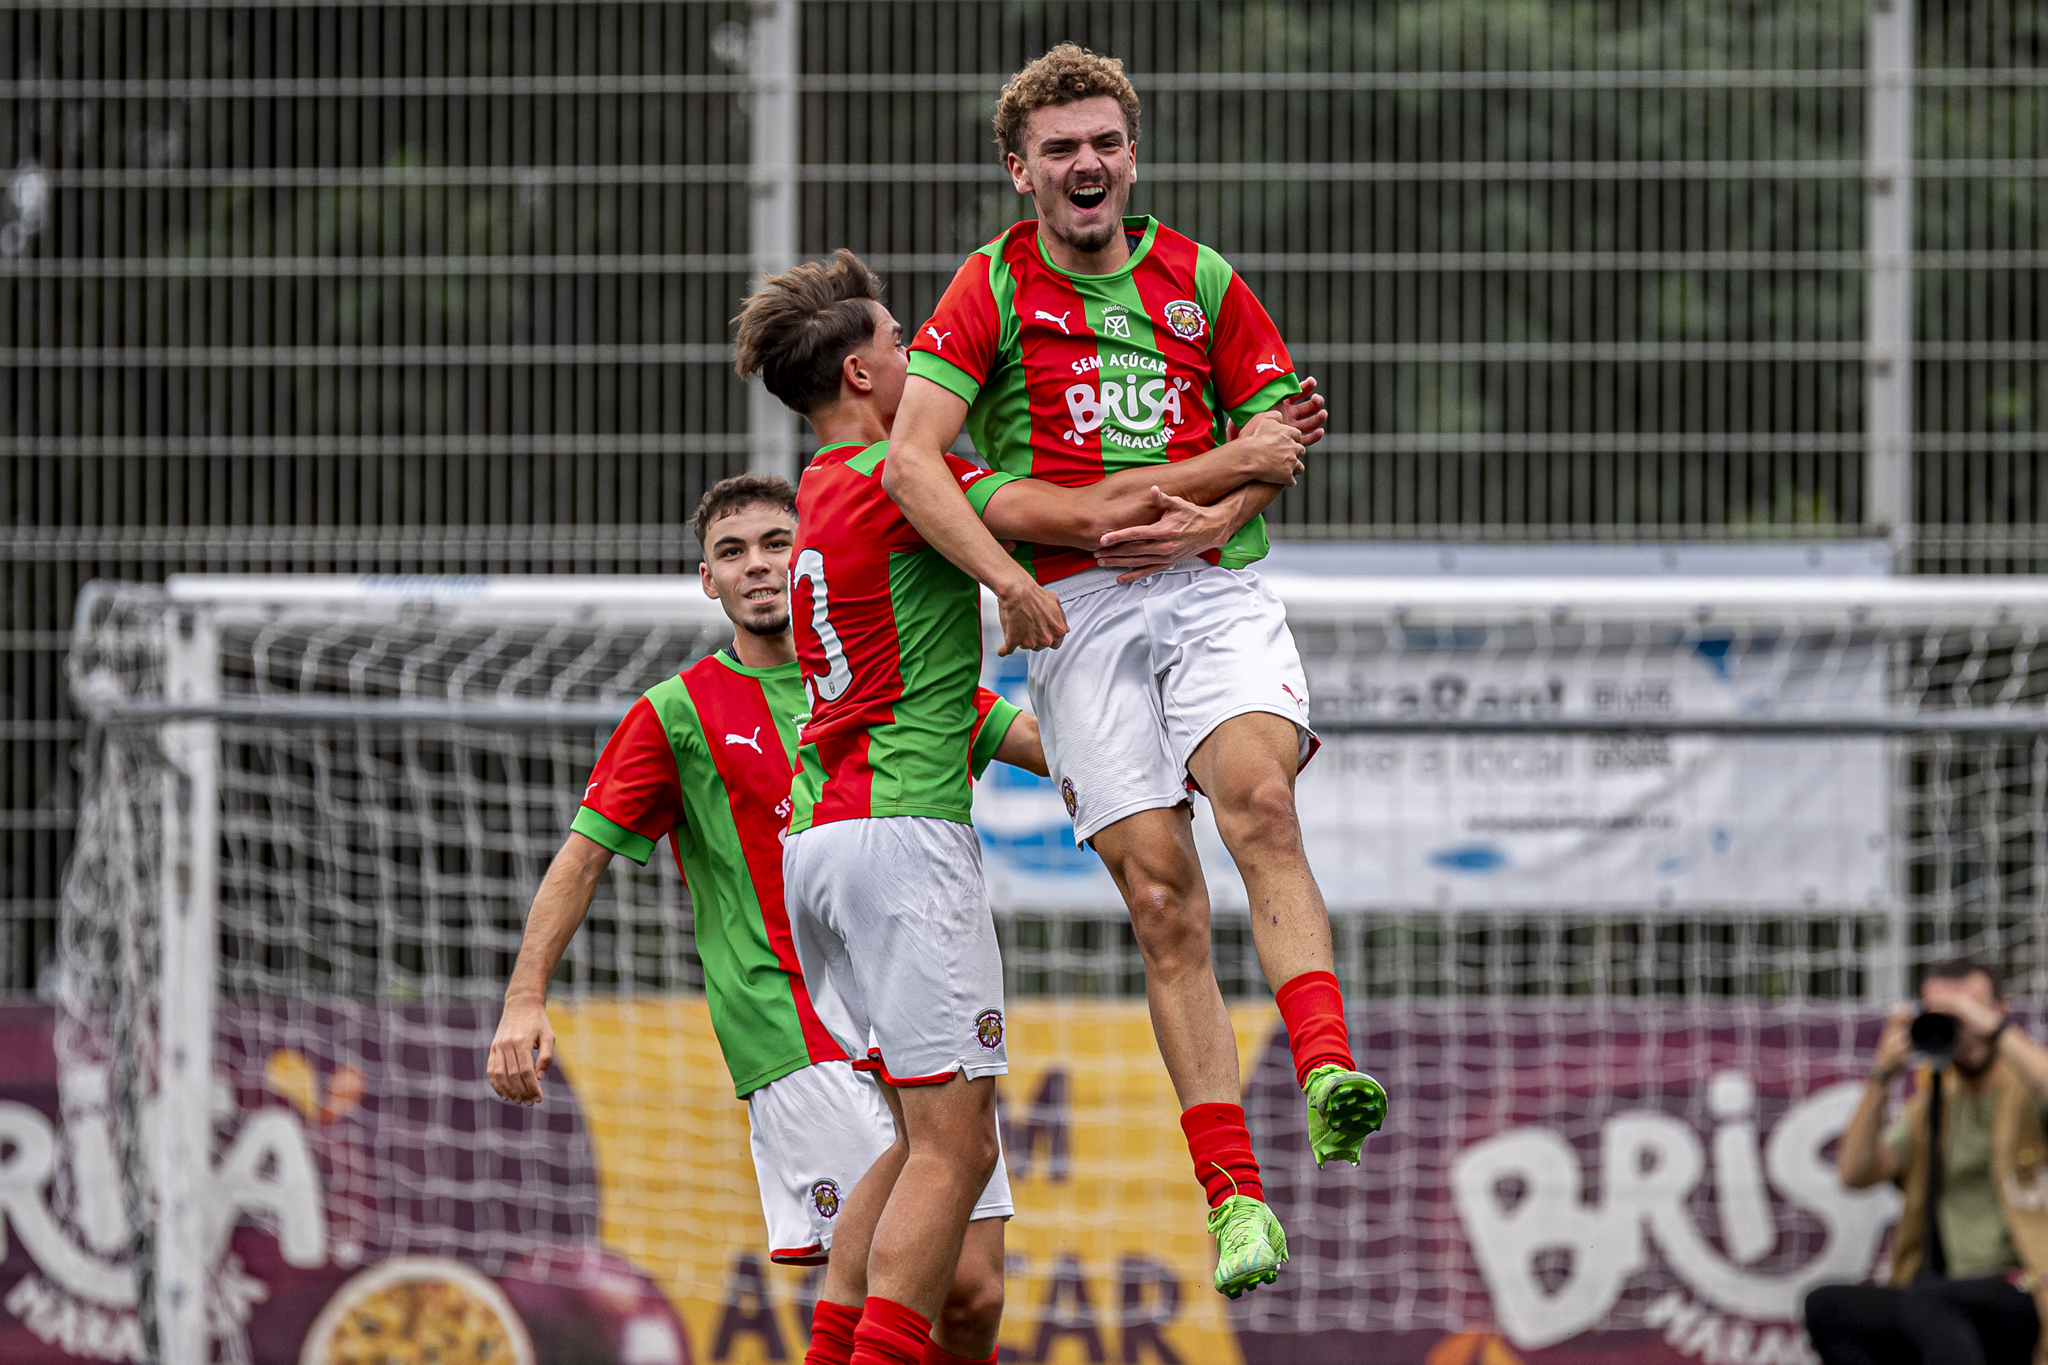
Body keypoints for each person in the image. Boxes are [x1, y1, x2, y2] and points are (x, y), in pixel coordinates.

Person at [730, 248, 1307, 1365]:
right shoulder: (906, 479)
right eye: (902, 344)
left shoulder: (813, 498)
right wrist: (1244, 453)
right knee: (955, 1150)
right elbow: (1091, 510)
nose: (922, 357)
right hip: (903, 840)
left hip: (824, 840)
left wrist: (1098, 752)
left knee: (908, 1143)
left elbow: (930, 696)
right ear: (860, 375)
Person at [877, 44, 1387, 1299]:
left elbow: (1280, 441)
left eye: (1103, 141)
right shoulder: (989, 287)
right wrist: (1010, 572)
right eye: (1058, 149)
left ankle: (1324, 1067)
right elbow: (912, 460)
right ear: (1020, 171)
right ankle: (1233, 1198)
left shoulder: (1201, 279)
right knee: (1161, 898)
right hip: (1081, 613)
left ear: (1132, 153)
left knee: (1259, 801)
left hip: (1208, 588)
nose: (1085, 164)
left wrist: (1204, 518)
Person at [483, 474, 1042, 1365]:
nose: (758, 566)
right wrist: (524, 997)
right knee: (927, 1293)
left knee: (973, 1298)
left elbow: (1037, 744)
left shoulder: (886, 675)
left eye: (777, 542)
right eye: (731, 553)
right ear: (707, 581)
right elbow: (582, 856)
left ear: (812, 552)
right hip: (792, 1026)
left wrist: (1163, 746)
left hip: (904, 1007)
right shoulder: (679, 711)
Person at [1805, 960, 2048, 1365]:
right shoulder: (1932, 1104)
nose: (1962, 1026)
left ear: (1999, 1012)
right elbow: (1855, 1173)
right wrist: (1882, 1075)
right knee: (1827, 1307)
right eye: (1945, 1014)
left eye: (1969, 1011)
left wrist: (1995, 1031)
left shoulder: (2026, 1090)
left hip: (2024, 1288)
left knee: (1930, 1300)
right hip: (1946, 1300)